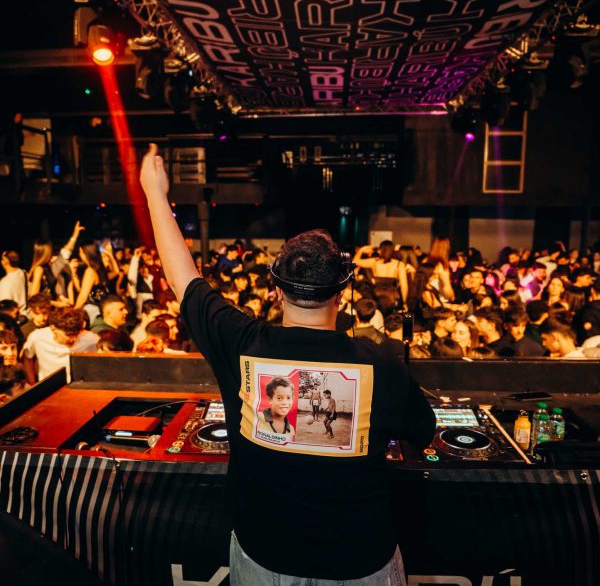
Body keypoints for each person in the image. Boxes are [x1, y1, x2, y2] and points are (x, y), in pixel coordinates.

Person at [140, 143, 435, 585]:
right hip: (360, 560)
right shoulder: (382, 362)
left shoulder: (240, 341)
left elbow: (183, 278)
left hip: (266, 558)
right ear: (341, 293)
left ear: (277, 291)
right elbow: (421, 432)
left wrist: (154, 194)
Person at [22, 307, 99, 383]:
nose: (73, 339)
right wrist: (32, 382)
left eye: (76, 334)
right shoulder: (37, 337)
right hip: (49, 387)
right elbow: (27, 357)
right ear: (53, 329)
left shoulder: (92, 339)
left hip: (79, 386)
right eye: (68, 335)